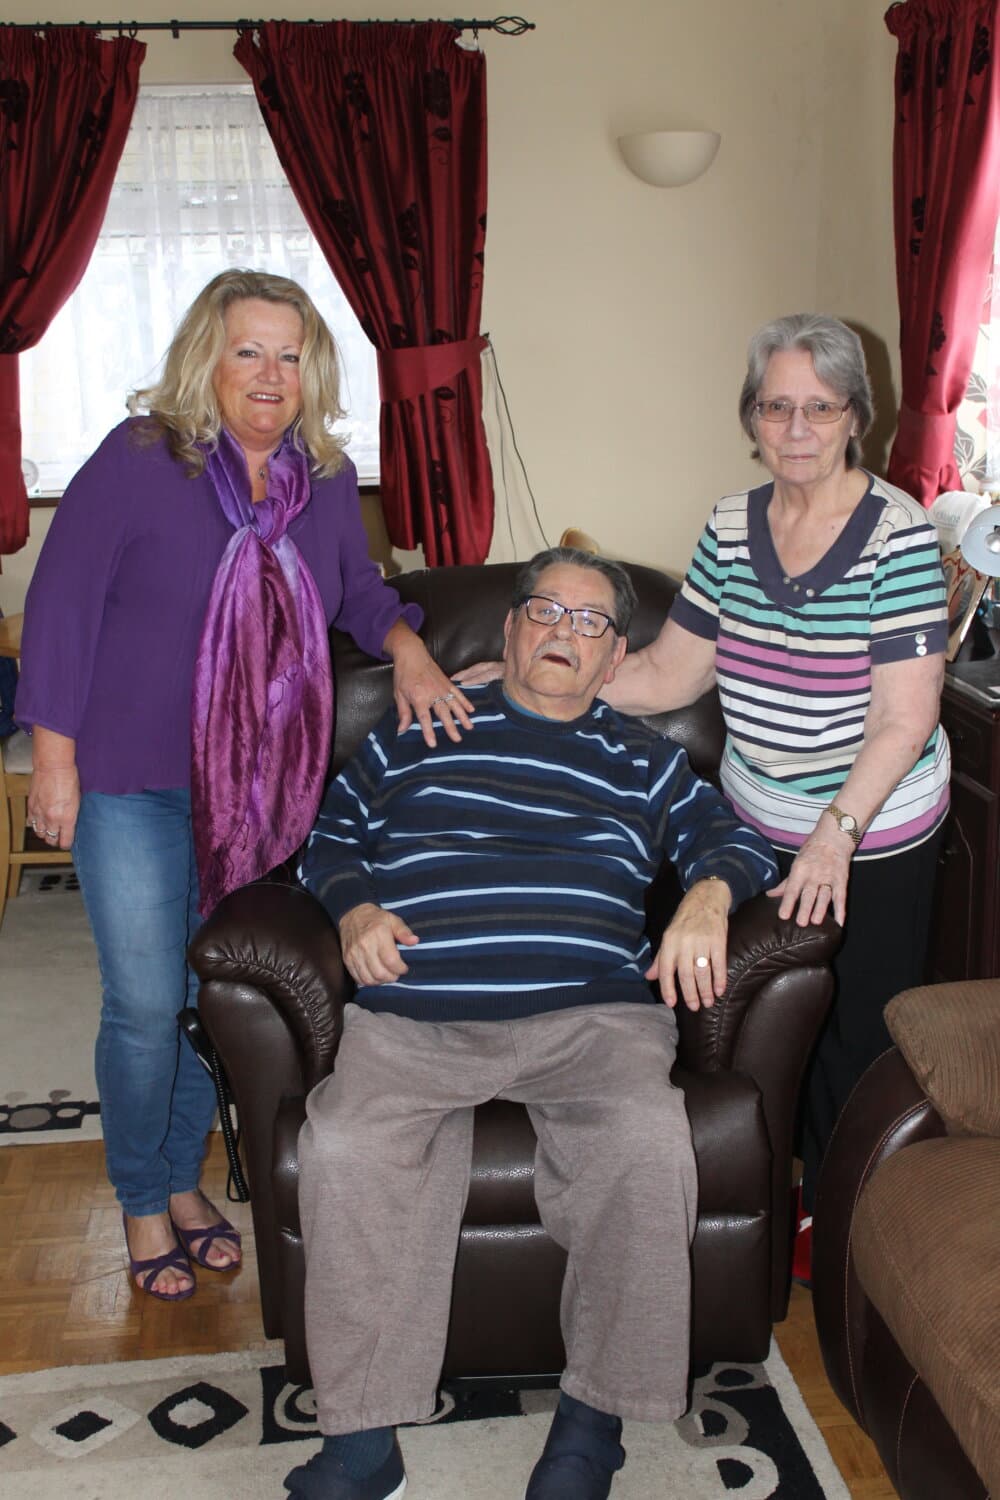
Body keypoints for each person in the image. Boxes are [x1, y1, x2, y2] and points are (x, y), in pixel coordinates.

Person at [15, 269, 472, 1304]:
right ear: (204, 362)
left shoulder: (319, 477)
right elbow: (63, 605)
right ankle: (141, 1195)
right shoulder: (140, 463)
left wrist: (404, 644)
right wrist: (54, 756)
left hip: (256, 789)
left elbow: (353, 590)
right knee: (142, 1001)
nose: (270, 375)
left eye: (289, 354)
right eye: (247, 351)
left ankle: (180, 1184)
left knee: (204, 997)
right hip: (131, 779)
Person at [467, 313, 950, 1278]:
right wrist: (542, 675)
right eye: (778, 406)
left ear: (856, 415)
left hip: (873, 827)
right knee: (764, 1021)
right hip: (757, 822)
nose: (798, 428)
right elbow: (673, 676)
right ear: (752, 417)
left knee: (858, 1028)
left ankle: (852, 1222)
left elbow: (902, 717)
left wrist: (833, 838)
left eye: (821, 407)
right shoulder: (732, 527)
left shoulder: (897, 535)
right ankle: (774, 1197)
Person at [289, 547, 778, 1500]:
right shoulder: (419, 730)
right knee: (344, 1145)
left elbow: (733, 837)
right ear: (509, 629)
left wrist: (711, 894)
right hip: (419, 1011)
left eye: (591, 623)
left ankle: (593, 1418)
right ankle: (362, 1436)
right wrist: (351, 909)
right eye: (546, 611)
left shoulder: (645, 758)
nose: (564, 632)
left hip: (589, 1021)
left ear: (612, 661)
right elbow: (330, 835)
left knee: (644, 1140)